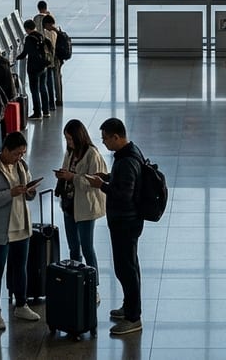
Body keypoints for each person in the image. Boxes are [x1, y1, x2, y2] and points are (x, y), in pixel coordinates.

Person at [86, 118, 145, 336]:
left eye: (106, 139)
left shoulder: (127, 161)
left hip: (125, 222)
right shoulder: (129, 154)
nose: (104, 143)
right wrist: (109, 177)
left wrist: (102, 185)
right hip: (127, 221)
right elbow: (124, 182)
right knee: (130, 265)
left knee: (125, 269)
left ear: (116, 137)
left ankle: (133, 318)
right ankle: (130, 307)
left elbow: (123, 194)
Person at [0, 130, 42, 327]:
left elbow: (27, 195)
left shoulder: (21, 165)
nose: (19, 157)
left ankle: (21, 304)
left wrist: (30, 191)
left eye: (22, 153)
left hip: (21, 224)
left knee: (20, 266)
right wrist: (10, 193)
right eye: (16, 153)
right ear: (5, 150)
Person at [54, 119, 107, 300]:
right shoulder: (70, 153)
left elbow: (95, 183)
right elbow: (67, 171)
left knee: (87, 248)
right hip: (69, 205)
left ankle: (94, 285)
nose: (68, 143)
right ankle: (75, 282)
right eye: (66, 139)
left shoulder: (92, 154)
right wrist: (63, 175)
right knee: (73, 248)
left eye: (70, 139)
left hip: (85, 208)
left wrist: (73, 177)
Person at [16, 20, 50, 119]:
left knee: (34, 90)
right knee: (43, 88)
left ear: (27, 29)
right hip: (43, 66)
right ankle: (46, 111)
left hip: (34, 68)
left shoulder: (29, 38)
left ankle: (37, 113)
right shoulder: (41, 36)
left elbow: (25, 53)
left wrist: (15, 58)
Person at [35, 1, 64, 106]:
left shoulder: (38, 19)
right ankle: (58, 99)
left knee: (48, 79)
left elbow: (38, 34)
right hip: (57, 54)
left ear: (38, 8)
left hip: (48, 55)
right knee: (57, 77)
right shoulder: (52, 17)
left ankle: (49, 102)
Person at [39, 15, 59, 116]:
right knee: (51, 82)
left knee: (48, 83)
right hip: (54, 60)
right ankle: (53, 103)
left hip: (48, 62)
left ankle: (49, 103)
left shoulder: (46, 33)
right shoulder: (56, 31)